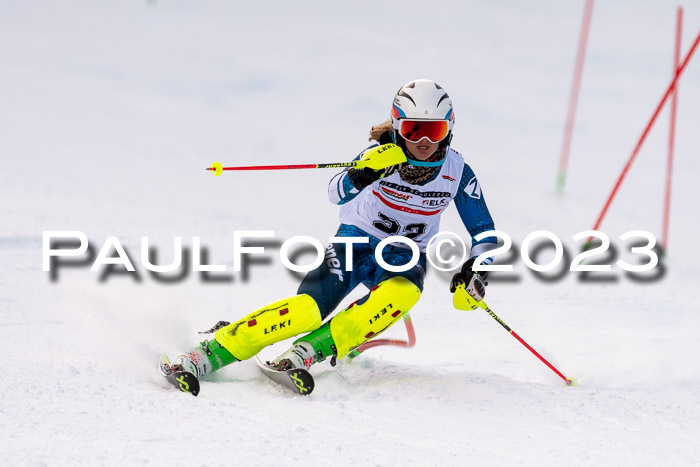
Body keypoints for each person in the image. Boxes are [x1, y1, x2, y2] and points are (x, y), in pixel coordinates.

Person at [162, 79, 497, 382]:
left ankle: (308, 351)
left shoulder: (458, 172)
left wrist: (477, 271)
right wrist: (361, 175)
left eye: (434, 131)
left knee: (405, 293)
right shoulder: (380, 156)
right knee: (306, 311)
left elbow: (484, 231)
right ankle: (210, 353)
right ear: (397, 126)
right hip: (355, 245)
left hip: (403, 257)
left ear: (449, 129)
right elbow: (335, 192)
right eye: (412, 130)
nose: (423, 141)